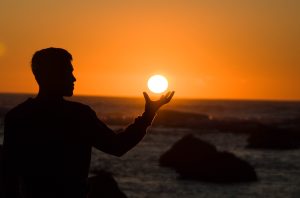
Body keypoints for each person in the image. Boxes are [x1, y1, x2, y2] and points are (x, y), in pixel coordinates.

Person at [2, 47, 174, 198]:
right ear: (53, 75)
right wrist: (149, 115)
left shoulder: (17, 116)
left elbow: (9, 175)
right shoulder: (78, 115)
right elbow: (117, 146)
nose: (74, 78)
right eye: (68, 72)